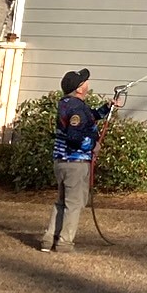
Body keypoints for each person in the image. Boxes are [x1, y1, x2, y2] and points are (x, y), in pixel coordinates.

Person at [41, 68, 119, 253]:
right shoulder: (77, 108)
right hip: (75, 163)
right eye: (85, 81)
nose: (87, 83)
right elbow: (74, 137)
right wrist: (93, 146)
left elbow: (89, 117)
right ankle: (64, 243)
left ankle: (48, 240)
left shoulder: (67, 104)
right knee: (74, 203)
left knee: (62, 202)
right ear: (79, 88)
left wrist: (107, 108)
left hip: (61, 162)